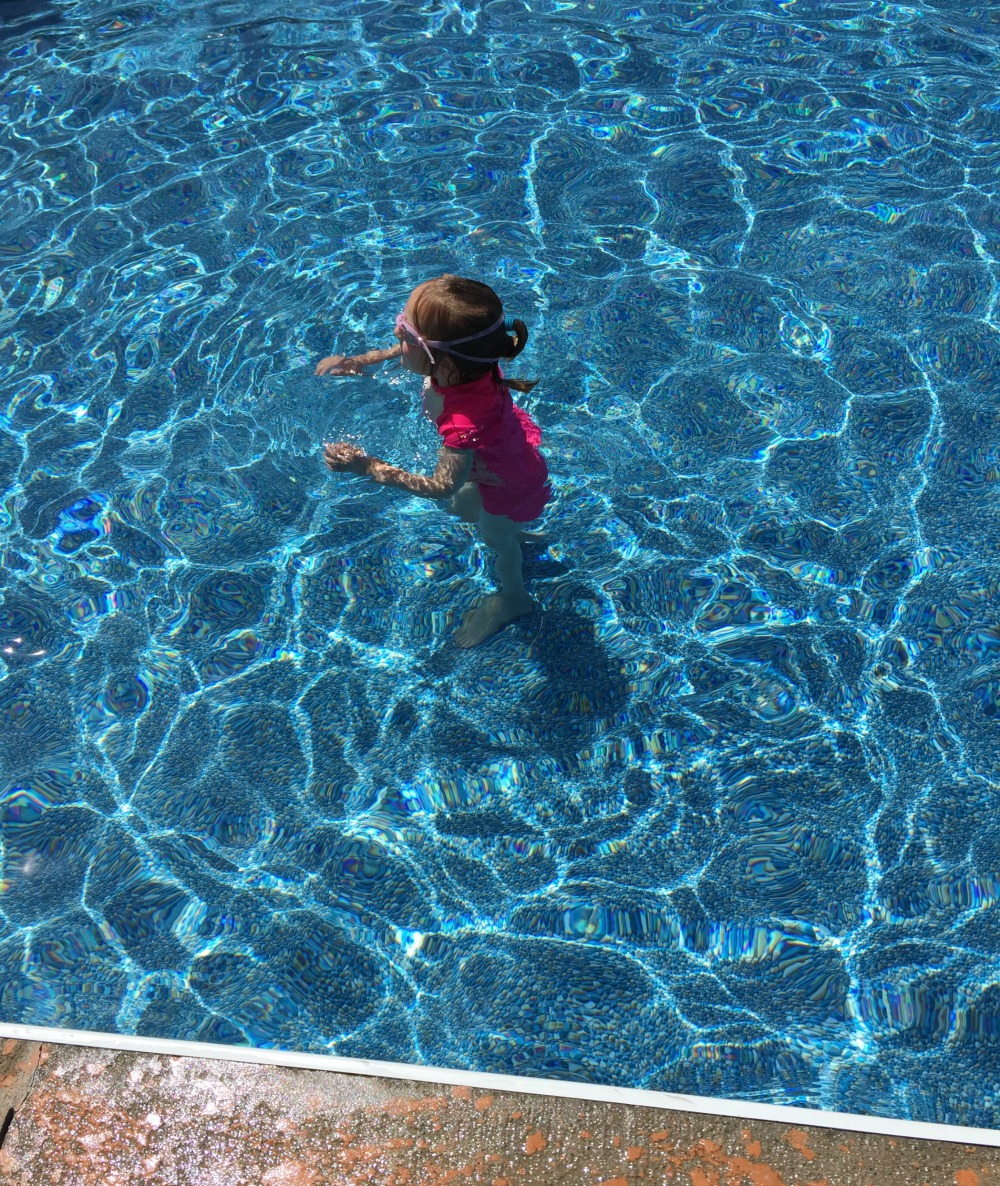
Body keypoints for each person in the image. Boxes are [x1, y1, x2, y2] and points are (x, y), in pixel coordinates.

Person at [316, 274, 551, 648]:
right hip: (500, 457)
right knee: (463, 510)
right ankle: (516, 531)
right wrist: (359, 362)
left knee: (495, 538)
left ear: (438, 358)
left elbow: (441, 486)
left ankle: (513, 597)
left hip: (509, 482)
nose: (396, 332)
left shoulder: (463, 422)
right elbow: (407, 353)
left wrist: (367, 465)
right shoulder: (470, 361)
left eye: (405, 331)